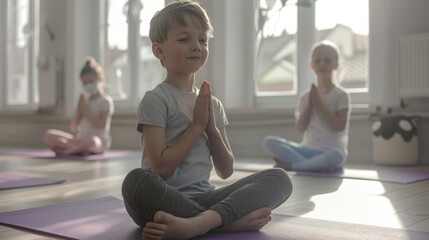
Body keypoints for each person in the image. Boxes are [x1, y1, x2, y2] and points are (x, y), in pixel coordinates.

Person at [121, 1, 292, 239]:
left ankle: (200, 223)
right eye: (184, 39)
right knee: (136, 181)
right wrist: (196, 127)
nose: (196, 46)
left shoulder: (213, 104)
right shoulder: (155, 100)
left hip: (205, 198)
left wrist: (211, 129)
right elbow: (160, 169)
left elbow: (225, 170)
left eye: (203, 40)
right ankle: (225, 223)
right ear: (159, 51)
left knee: (280, 178)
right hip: (162, 199)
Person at [263, 41, 351, 172]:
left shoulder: (341, 95)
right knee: (269, 142)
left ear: (336, 64)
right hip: (306, 150)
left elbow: (339, 126)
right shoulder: (306, 97)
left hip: (331, 152)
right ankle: (312, 165)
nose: (322, 64)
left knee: (337, 156)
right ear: (311, 65)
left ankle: (293, 166)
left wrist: (320, 106)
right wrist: (310, 105)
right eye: (318, 60)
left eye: (327, 61)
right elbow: (300, 127)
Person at [44, 57, 114, 156]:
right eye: (85, 83)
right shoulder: (83, 101)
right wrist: (79, 108)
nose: (88, 85)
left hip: (98, 142)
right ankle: (78, 149)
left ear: (98, 79)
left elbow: (101, 125)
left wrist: (85, 111)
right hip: (80, 140)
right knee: (49, 135)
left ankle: (68, 150)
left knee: (93, 142)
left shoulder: (106, 101)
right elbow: (73, 127)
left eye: (90, 81)